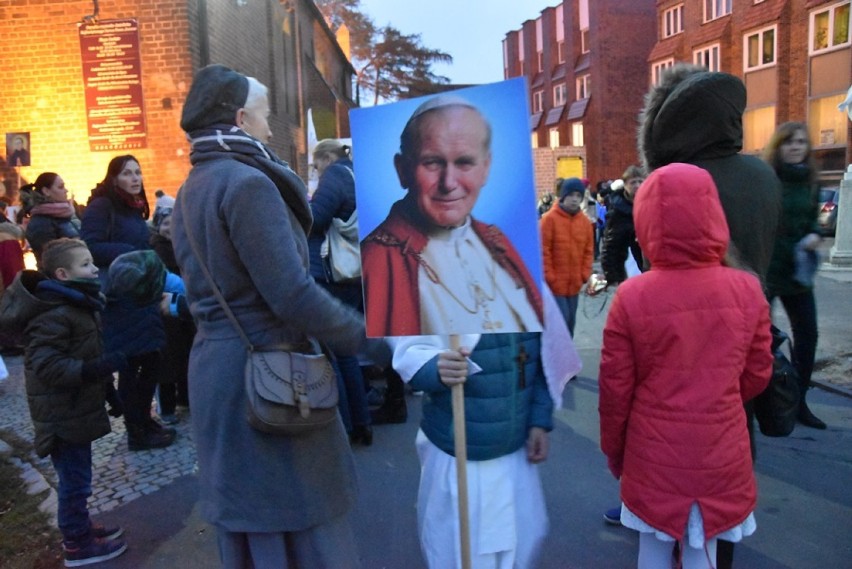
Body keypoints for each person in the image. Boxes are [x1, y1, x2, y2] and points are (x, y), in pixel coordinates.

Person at [171, 64, 365, 568]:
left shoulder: (195, 183)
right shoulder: (247, 184)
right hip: (268, 375)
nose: (271, 128)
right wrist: (366, 338)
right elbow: (292, 294)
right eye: (263, 116)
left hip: (221, 371)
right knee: (293, 524)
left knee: (254, 528)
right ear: (239, 119)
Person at [637, 64, 783, 568]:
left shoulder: (676, 182)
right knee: (732, 447)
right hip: (744, 332)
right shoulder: (762, 174)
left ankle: (671, 537)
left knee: (670, 453)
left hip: (678, 342)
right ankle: (721, 546)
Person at [599, 163, 773, 569]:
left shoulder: (633, 296)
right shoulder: (747, 289)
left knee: (653, 551)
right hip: (720, 448)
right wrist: (719, 395)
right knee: (703, 554)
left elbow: (615, 390)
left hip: (652, 451)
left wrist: (615, 450)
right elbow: (757, 373)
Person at [360, 94, 543, 336]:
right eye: (432, 163)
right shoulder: (377, 258)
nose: (449, 183)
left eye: (464, 163)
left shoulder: (497, 241)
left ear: (485, 168)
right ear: (402, 170)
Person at [0, 238, 128, 566]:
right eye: (85, 264)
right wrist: (94, 369)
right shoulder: (54, 314)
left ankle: (82, 527)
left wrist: (109, 392)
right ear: (62, 273)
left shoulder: (77, 304)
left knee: (78, 476)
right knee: (75, 481)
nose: (94, 268)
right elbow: (47, 366)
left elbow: (84, 352)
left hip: (76, 409)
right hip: (62, 415)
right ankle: (76, 544)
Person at [393, 332, 555, 569]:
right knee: (456, 546)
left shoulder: (532, 296)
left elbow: (545, 359)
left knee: (523, 540)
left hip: (515, 452)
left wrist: (538, 420)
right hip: (458, 454)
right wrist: (434, 368)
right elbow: (411, 353)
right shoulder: (439, 294)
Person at [80, 155, 176, 451]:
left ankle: (144, 421)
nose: (135, 178)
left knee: (150, 359)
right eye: (127, 173)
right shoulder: (102, 206)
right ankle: (136, 430)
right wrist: (130, 253)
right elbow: (90, 246)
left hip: (140, 292)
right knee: (134, 362)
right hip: (121, 295)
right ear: (114, 178)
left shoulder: (133, 208)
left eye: (138, 173)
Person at [308, 138, 372, 445]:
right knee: (348, 352)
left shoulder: (335, 175)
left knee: (337, 354)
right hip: (356, 272)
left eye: (316, 164)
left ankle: (348, 426)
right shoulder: (358, 174)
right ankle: (361, 423)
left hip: (335, 275)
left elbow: (316, 217)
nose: (316, 171)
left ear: (326, 158)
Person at [763, 122, 825, 430]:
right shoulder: (767, 180)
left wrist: (815, 234)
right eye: (789, 142)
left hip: (798, 272)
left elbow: (816, 220)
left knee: (808, 335)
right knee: (759, 337)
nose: (796, 146)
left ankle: (799, 401)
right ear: (779, 147)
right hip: (768, 270)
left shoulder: (810, 181)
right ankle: (763, 398)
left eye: (801, 141)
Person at [150, 211, 192, 423]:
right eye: (166, 223)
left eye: (175, 222)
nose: (171, 227)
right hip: (167, 314)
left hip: (184, 311)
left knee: (186, 356)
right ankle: (167, 409)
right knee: (168, 362)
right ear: (158, 226)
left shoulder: (185, 244)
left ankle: (185, 399)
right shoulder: (157, 251)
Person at [540, 177, 594, 336]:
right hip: (555, 286)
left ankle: (565, 358)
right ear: (563, 196)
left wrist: (584, 274)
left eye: (579, 196)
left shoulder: (584, 222)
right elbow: (543, 251)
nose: (575, 199)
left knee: (570, 323)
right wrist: (550, 277)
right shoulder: (548, 220)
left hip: (574, 284)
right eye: (571, 195)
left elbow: (588, 250)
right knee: (560, 325)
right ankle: (556, 358)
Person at [18, 173, 81, 268]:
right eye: (61, 187)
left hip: (79, 268)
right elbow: (49, 257)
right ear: (46, 191)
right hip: (61, 275)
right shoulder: (40, 222)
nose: (66, 190)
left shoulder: (69, 212)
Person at [599, 166, 645, 285]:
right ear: (625, 185)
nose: (637, 185)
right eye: (633, 182)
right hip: (627, 263)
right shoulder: (617, 210)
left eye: (640, 181)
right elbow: (610, 244)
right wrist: (611, 274)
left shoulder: (651, 205)